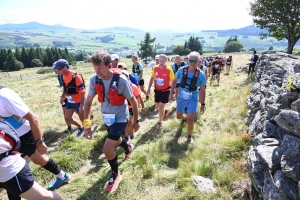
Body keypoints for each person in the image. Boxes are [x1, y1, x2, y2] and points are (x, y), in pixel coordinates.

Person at [83, 50, 140, 192]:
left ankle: (115, 174)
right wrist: (87, 125)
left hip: (121, 117)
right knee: (116, 139)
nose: (97, 71)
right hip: (107, 118)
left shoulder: (121, 80)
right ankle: (128, 147)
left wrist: (136, 120)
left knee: (107, 148)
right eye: (95, 67)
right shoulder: (94, 79)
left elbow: (133, 101)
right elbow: (88, 103)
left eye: (100, 67)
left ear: (109, 65)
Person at [0, 87, 71, 192]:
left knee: (13, 174)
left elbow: (33, 118)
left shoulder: (4, 97)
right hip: (9, 140)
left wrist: (39, 142)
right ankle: (62, 175)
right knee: (39, 159)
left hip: (24, 137)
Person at [0, 115, 63, 200]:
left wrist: (39, 142)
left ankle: (62, 175)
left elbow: (33, 117)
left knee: (45, 197)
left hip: (10, 171)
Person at [169, 51, 206, 144]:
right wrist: (171, 93)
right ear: (188, 60)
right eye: (190, 61)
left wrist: (202, 104)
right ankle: (184, 118)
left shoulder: (201, 75)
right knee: (178, 116)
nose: (192, 63)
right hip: (181, 98)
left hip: (193, 99)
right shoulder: (181, 70)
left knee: (190, 118)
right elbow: (174, 81)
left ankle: (189, 137)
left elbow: (203, 90)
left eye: (195, 61)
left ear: (198, 61)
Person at [53, 59, 85, 137]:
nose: (58, 70)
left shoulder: (76, 76)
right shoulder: (62, 76)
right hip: (70, 101)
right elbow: (65, 88)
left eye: (59, 68)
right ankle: (80, 127)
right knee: (67, 118)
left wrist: (81, 105)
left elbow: (82, 91)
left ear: (65, 67)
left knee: (83, 119)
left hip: (78, 101)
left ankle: (87, 131)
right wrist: (63, 97)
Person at [146, 54, 175, 129]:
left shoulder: (169, 69)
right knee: (157, 107)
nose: (161, 62)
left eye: (162, 61)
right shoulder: (155, 68)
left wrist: (172, 92)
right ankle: (164, 112)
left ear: (166, 61)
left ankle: (160, 122)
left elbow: (172, 81)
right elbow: (152, 78)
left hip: (165, 90)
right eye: (160, 61)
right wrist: (149, 88)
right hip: (157, 90)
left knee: (161, 107)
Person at [121, 70, 146, 142]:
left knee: (129, 122)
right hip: (123, 108)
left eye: (125, 77)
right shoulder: (118, 87)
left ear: (128, 78)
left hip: (132, 108)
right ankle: (129, 135)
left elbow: (140, 98)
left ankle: (129, 136)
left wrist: (143, 107)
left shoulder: (134, 87)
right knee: (127, 123)